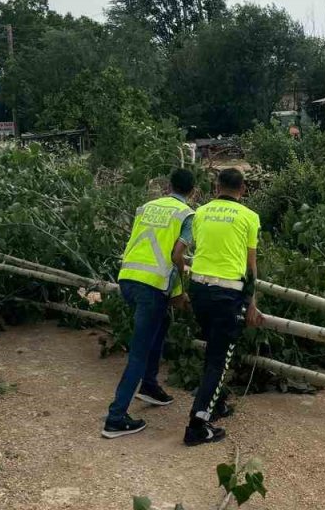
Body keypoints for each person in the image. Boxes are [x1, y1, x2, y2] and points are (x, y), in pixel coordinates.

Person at [101, 168, 197, 439]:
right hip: (151, 287)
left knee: (161, 321)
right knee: (138, 354)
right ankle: (116, 417)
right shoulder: (187, 215)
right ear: (193, 191)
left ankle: (151, 385)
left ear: (168, 185)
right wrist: (179, 290)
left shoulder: (146, 208)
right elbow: (177, 254)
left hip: (128, 278)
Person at [184, 167, 263, 446]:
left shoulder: (200, 213)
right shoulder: (249, 217)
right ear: (243, 189)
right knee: (219, 358)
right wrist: (252, 302)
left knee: (212, 349)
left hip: (199, 289)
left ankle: (215, 404)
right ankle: (197, 424)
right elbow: (250, 264)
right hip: (228, 294)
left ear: (216, 187)